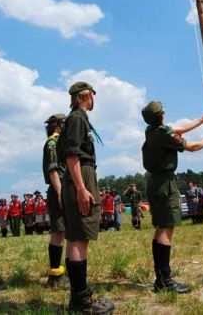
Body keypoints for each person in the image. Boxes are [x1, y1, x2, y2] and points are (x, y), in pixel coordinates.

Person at [141, 100, 203, 293]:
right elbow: (191, 147)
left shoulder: (151, 131)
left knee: (160, 229)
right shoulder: (164, 134)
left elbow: (179, 129)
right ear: (161, 115)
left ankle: (161, 279)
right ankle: (165, 281)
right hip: (165, 184)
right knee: (166, 229)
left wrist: (201, 120)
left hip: (155, 183)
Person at [57, 81, 114, 314]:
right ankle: (82, 303)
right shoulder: (78, 118)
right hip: (81, 175)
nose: (94, 99)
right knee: (80, 238)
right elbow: (72, 155)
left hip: (79, 175)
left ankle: (78, 298)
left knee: (75, 238)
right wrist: (82, 188)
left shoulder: (76, 118)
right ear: (85, 96)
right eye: (93, 95)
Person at [43, 113, 67, 287]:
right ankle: (55, 275)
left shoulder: (61, 141)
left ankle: (61, 272)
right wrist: (60, 194)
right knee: (58, 232)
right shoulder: (53, 142)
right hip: (58, 189)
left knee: (64, 232)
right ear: (58, 125)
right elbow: (53, 171)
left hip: (64, 188)